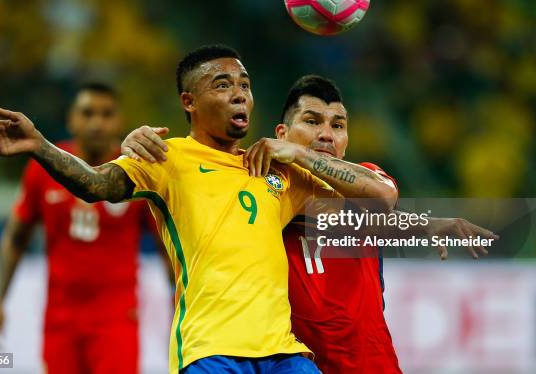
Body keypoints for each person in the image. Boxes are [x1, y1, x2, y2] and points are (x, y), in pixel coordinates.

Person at [0, 45, 398, 374]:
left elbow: (377, 198)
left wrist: (298, 154)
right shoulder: (165, 158)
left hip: (285, 353)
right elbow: (97, 185)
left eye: (244, 85)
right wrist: (40, 146)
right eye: (223, 85)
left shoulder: (274, 168)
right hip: (211, 351)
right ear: (189, 102)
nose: (240, 95)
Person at [121, 75, 498, 373]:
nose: (326, 135)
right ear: (280, 134)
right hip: (291, 360)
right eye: (312, 121)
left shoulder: (364, 177)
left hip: (371, 363)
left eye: (338, 125)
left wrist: (426, 226)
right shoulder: (261, 185)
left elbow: (376, 203)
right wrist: (139, 143)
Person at [0, 82, 157, 374]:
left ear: (120, 121)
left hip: (116, 318)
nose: (96, 123)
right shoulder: (43, 168)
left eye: (106, 114)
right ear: (71, 119)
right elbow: (16, 238)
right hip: (61, 319)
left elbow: (167, 245)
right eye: (87, 113)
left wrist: (181, 303)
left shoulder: (135, 171)